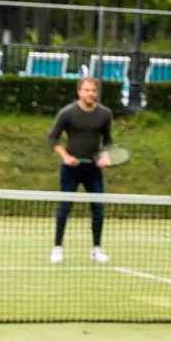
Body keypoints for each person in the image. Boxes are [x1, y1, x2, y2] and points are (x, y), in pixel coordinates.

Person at [48, 75, 116, 265]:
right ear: (79, 92)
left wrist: (105, 155)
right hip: (71, 169)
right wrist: (66, 157)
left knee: (98, 209)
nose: (90, 93)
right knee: (64, 208)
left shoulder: (104, 114)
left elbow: (108, 140)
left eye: (93, 90)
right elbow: (53, 139)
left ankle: (96, 249)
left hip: (93, 170)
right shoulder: (67, 113)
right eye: (86, 90)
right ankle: (57, 248)